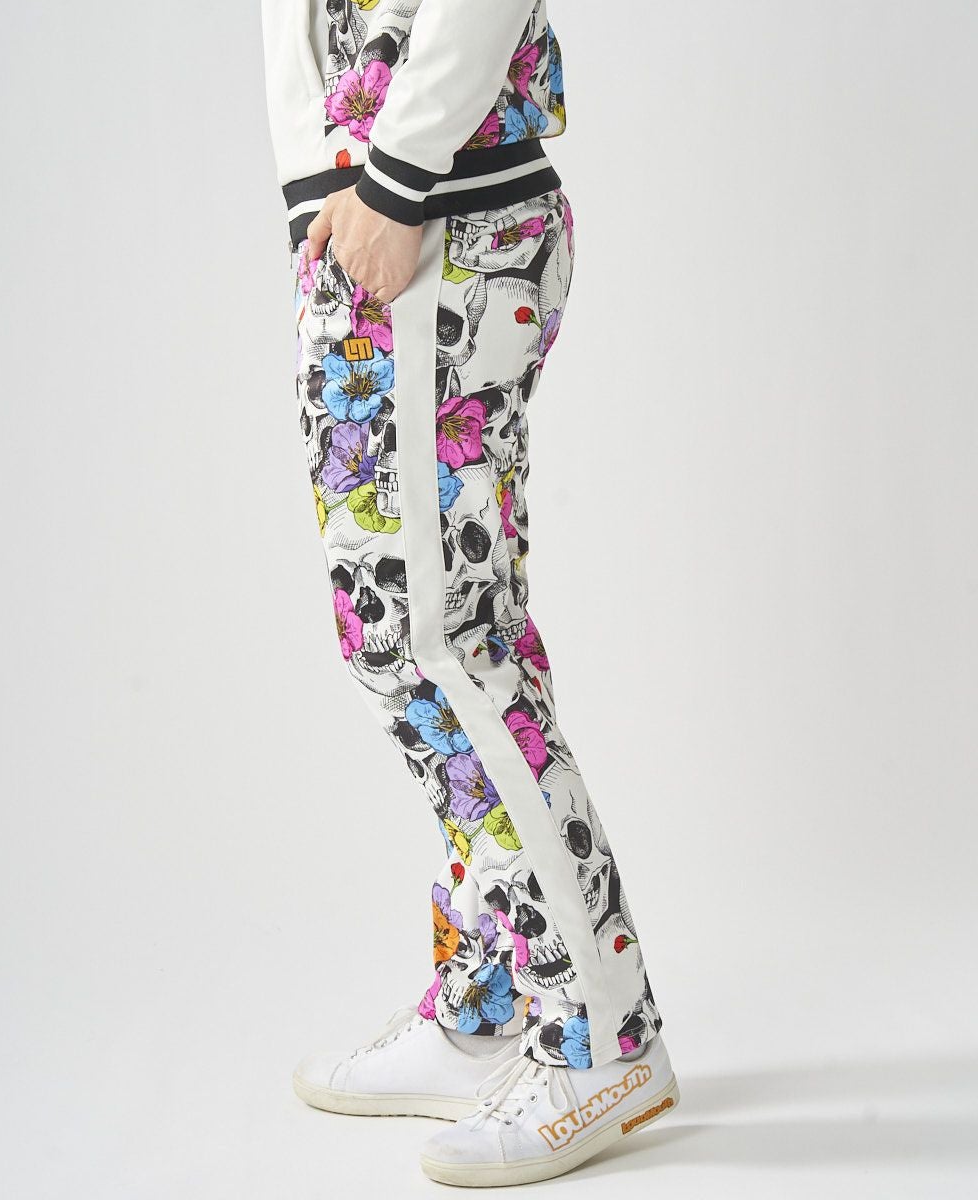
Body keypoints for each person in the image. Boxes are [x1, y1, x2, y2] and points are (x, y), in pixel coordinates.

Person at [259, 0, 680, 1184]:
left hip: (433, 209)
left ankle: (600, 1037)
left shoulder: (409, 188)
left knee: (430, 644)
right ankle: (492, 1001)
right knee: (444, 636)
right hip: (395, 206)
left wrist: (393, 182)